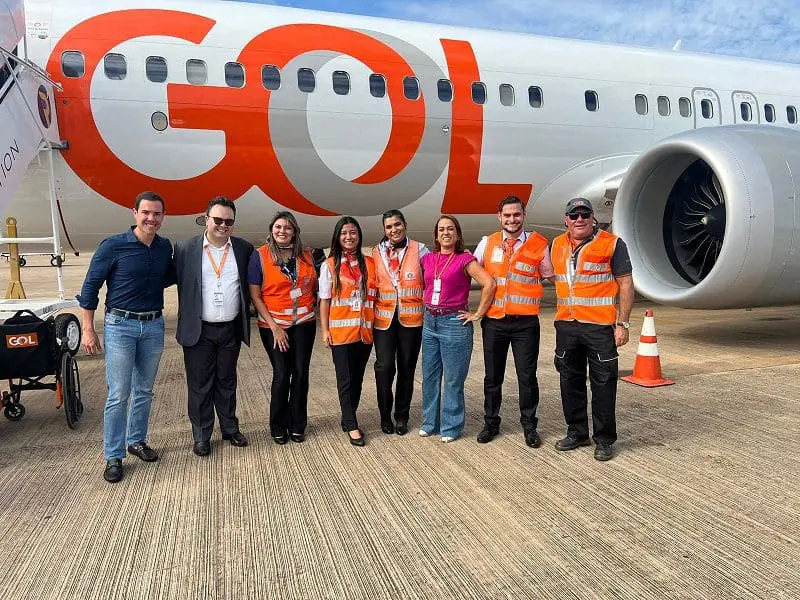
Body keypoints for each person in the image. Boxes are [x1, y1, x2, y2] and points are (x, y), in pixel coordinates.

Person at [78, 191, 175, 484]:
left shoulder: (163, 247)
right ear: (134, 213)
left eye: (157, 214)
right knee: (119, 393)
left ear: (162, 217)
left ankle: (137, 441)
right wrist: (88, 328)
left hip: (153, 325)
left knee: (144, 390)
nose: (151, 218)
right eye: (146, 212)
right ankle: (113, 455)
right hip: (120, 325)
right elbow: (90, 287)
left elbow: (168, 276)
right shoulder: (113, 246)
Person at [551, 198, 634, 461]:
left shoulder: (612, 244)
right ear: (566, 220)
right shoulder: (557, 245)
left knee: (604, 384)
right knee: (570, 382)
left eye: (584, 214)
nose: (579, 219)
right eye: (573, 215)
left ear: (592, 218)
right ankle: (576, 432)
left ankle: (604, 439)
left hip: (599, 327)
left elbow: (626, 283)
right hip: (567, 325)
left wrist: (622, 323)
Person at [174, 196, 254, 457]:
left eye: (228, 221)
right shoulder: (185, 248)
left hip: (230, 329)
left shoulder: (243, 249)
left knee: (227, 381)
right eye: (217, 220)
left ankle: (230, 428)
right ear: (206, 219)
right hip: (199, 330)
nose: (223, 225)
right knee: (200, 385)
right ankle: (202, 435)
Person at [473, 195, 554, 448]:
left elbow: (552, 276)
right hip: (495, 322)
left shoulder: (540, 244)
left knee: (527, 377)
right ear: (499, 217)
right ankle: (491, 423)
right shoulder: (487, 243)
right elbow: (470, 271)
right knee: (492, 377)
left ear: (524, 215)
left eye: (516, 214)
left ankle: (529, 426)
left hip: (525, 324)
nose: (512, 219)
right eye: (507, 215)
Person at [419, 215, 495, 443]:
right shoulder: (429, 259)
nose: (446, 233)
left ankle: (451, 426)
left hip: (454, 323)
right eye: (441, 229)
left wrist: (478, 313)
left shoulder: (465, 259)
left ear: (458, 234)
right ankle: (429, 423)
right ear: (436, 234)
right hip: (430, 322)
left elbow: (489, 283)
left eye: (450, 229)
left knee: (453, 379)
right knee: (430, 377)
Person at [249, 211, 317, 445]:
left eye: (288, 228)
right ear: (271, 229)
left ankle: (298, 424)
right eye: (278, 227)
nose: (282, 231)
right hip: (274, 326)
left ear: (295, 231)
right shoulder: (260, 256)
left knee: (300, 374)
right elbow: (256, 296)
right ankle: (277, 425)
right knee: (281, 375)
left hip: (304, 324)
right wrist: (275, 327)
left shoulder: (306, 255)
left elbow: (315, 287)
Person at [319, 217, 377, 447]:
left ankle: (347, 415)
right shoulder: (330, 264)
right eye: (344, 233)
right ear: (337, 237)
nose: (349, 237)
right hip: (341, 332)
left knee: (358, 378)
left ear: (359, 235)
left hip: (364, 332)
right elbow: (324, 300)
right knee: (344, 379)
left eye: (353, 232)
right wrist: (324, 330)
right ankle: (352, 425)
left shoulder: (370, 262)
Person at [372, 209, 428, 436]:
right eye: (388, 227)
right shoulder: (376, 252)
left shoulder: (420, 249)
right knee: (384, 367)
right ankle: (385, 415)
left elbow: (432, 279)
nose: (393, 230)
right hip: (384, 319)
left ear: (405, 224)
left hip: (411, 320)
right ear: (384, 230)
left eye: (397, 225)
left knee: (407, 368)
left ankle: (401, 416)